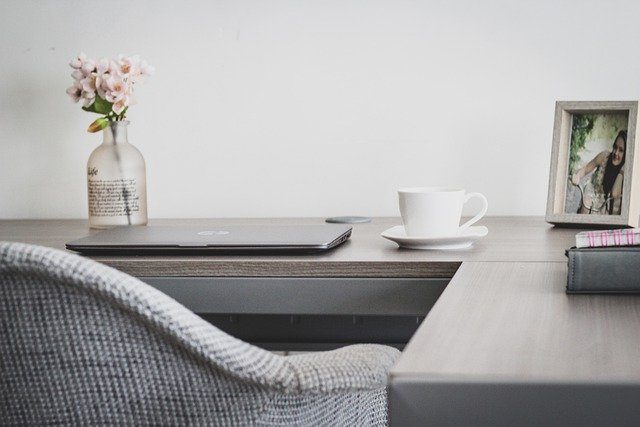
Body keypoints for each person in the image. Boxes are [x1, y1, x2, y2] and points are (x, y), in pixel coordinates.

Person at [571, 130, 626, 214]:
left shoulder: (627, 172)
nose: (616, 152)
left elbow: (615, 193)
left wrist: (623, 169)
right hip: (591, 204)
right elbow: (586, 168)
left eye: (621, 150)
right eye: (615, 147)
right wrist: (577, 176)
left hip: (609, 215)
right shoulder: (605, 156)